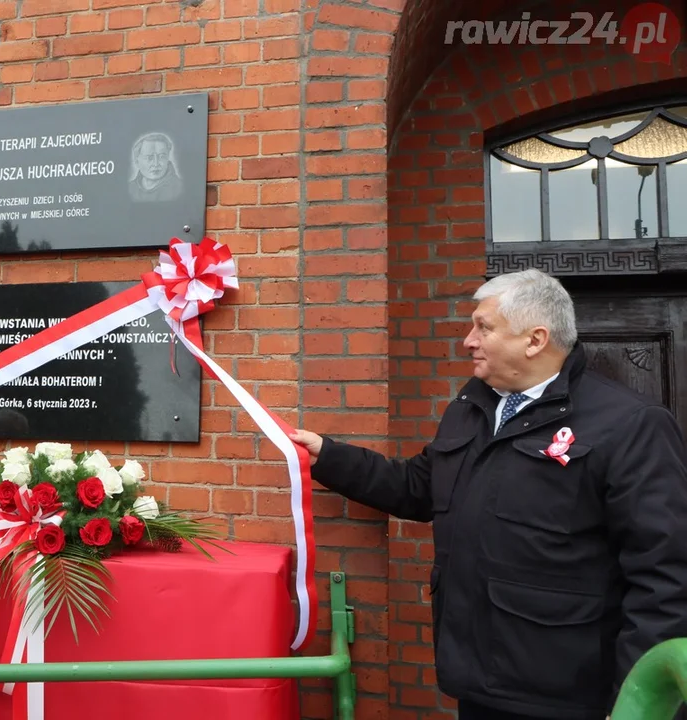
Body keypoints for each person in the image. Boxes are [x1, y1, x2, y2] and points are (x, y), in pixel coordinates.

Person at [290, 269, 687, 720]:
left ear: (534, 340)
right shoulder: (474, 406)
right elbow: (419, 487)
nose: (468, 341)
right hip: (478, 681)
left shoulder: (630, 425)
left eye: (483, 327)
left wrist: (637, 704)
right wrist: (325, 456)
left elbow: (664, 579)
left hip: (569, 698)